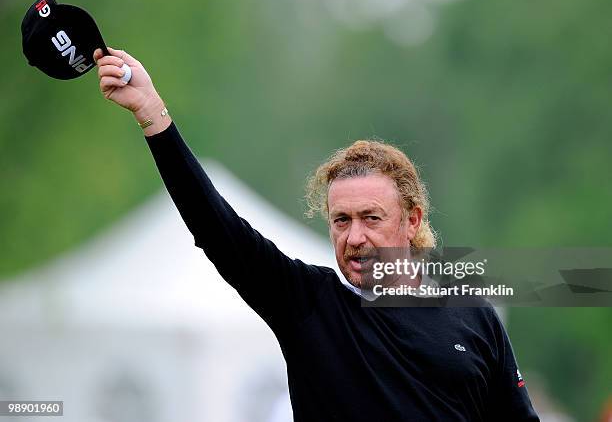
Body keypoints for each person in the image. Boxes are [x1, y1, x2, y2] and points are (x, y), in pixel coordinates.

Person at [94, 47, 540, 421]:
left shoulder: (475, 317)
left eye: (371, 217)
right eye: (341, 220)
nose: (355, 236)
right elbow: (217, 229)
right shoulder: (310, 305)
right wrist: (152, 114)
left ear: (413, 220)